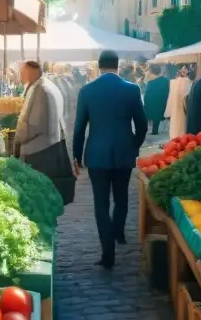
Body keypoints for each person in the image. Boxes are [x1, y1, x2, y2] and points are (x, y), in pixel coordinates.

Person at [73, 50, 147, 269]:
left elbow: (79, 129)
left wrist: (76, 156)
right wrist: (134, 145)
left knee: (101, 203)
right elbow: (142, 125)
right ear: (118, 65)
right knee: (122, 196)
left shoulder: (87, 91)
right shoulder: (132, 89)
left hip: (97, 154)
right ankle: (119, 233)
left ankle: (108, 252)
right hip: (124, 151)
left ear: (98, 66)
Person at [15, 61, 75, 203]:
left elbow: (33, 126)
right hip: (46, 146)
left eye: (22, 73)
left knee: (38, 196)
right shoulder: (44, 85)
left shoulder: (41, 90)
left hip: (39, 151)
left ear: (30, 73)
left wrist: (18, 137)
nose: (20, 77)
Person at [166, 65, 192, 139]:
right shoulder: (177, 81)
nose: (183, 70)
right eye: (182, 68)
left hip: (181, 107)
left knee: (181, 123)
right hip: (178, 107)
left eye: (185, 68)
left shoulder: (188, 82)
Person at [143, 66, 171, 135]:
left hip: (151, 102)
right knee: (157, 116)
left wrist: (145, 102)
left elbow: (147, 94)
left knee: (146, 116)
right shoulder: (166, 80)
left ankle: (144, 130)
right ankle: (155, 130)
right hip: (162, 101)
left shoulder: (151, 82)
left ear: (151, 72)